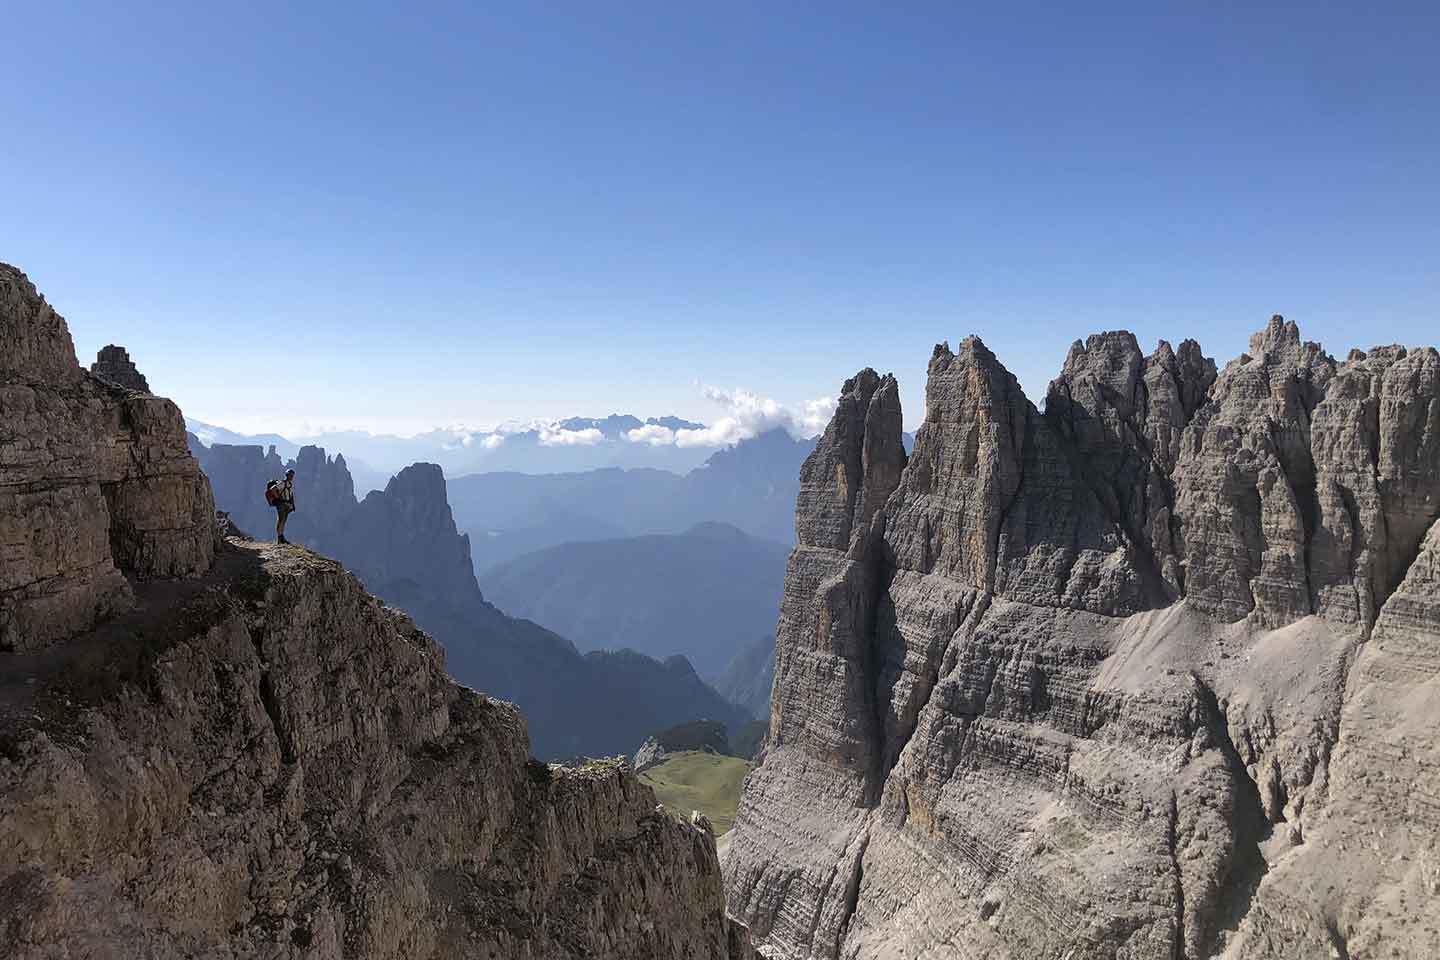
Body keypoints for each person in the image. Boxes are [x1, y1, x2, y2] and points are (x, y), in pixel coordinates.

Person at [274, 468, 296, 544]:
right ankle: (279, 539)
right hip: (281, 504)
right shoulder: (282, 483)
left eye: (292, 475)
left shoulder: (290, 484)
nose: (292, 477)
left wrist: (292, 505)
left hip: (286, 504)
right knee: (281, 520)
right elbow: (273, 489)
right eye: (290, 475)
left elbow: (291, 495)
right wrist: (279, 499)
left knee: (283, 521)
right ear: (287, 475)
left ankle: (281, 537)